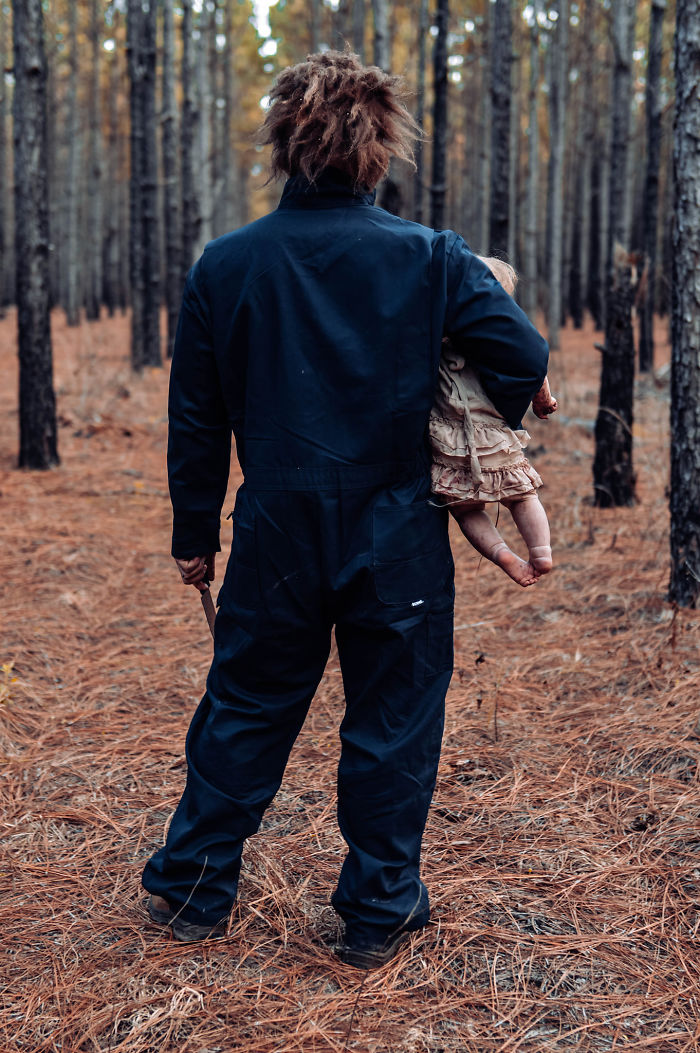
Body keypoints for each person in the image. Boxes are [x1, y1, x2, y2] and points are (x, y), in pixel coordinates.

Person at [141, 50, 549, 969]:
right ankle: (376, 911)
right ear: (379, 150)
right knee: (394, 718)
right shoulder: (432, 257)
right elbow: (521, 355)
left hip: (276, 528)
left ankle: (193, 890)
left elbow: (196, 418)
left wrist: (194, 536)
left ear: (285, 145)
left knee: (246, 704)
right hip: (395, 525)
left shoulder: (228, 264)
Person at [430, 257, 557, 587]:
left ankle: (503, 555)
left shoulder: (437, 339)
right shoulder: (502, 343)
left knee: (466, 511)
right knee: (523, 497)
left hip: (447, 446)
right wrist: (543, 399)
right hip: (496, 440)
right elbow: (533, 369)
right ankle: (540, 551)